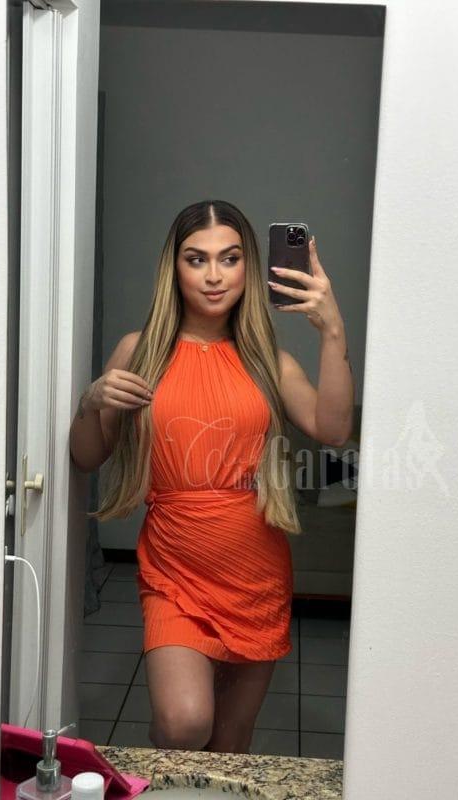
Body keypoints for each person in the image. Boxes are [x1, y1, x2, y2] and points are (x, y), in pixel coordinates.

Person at [69, 199, 354, 753]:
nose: (215, 275)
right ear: (174, 268)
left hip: (255, 573)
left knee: (229, 744)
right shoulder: (139, 351)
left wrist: (332, 329)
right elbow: (86, 457)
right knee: (183, 724)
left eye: (230, 258)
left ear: (249, 267)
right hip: (173, 570)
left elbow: (334, 429)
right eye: (196, 259)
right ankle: (162, 776)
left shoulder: (269, 360)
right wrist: (91, 400)